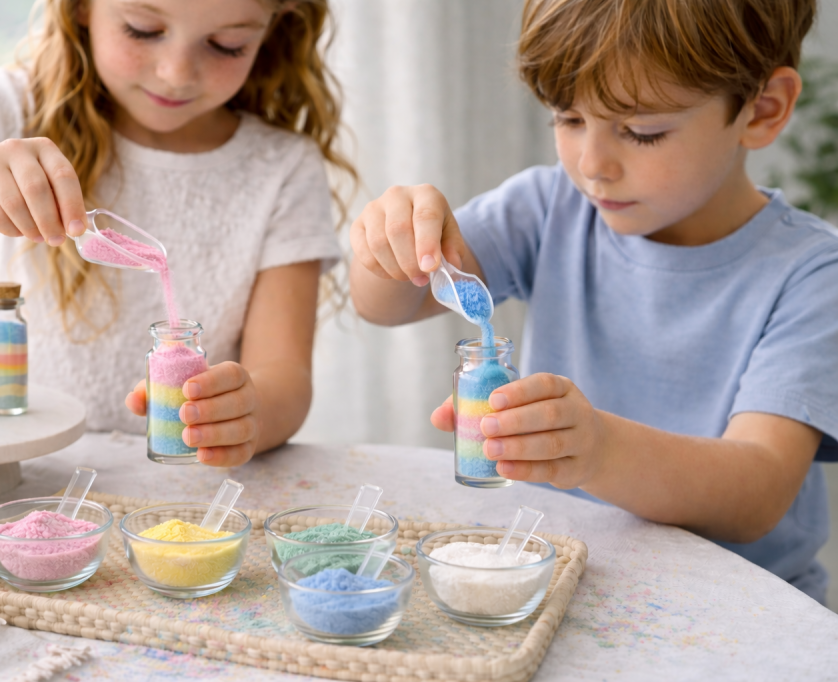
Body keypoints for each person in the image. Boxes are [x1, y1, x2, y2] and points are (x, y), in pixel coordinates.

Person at [348, 0, 837, 603]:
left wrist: (597, 451)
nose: (592, 165)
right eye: (567, 118)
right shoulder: (548, 207)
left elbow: (756, 493)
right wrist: (387, 247)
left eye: (642, 131)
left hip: (743, 607)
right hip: (567, 586)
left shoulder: (813, 274)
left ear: (762, 111)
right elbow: (388, 306)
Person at [0, 0, 354, 468]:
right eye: (143, 29)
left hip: (183, 488)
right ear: (80, 9)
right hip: (28, 477)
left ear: (276, 27)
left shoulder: (281, 166)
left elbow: (283, 374)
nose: (176, 72)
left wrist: (247, 414)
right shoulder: (18, 108)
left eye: (226, 43)